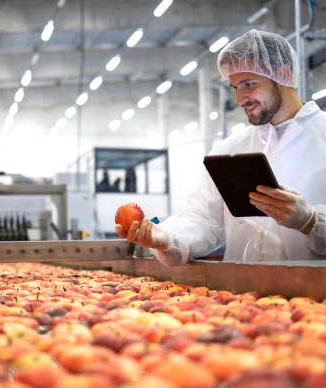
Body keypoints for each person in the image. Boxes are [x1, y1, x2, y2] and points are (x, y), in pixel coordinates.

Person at [115, 29, 326, 265]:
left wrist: (311, 222)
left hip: (315, 297)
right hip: (239, 297)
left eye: (249, 84)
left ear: (283, 75)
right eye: (235, 87)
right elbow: (204, 220)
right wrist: (166, 237)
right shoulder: (231, 149)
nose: (240, 99)